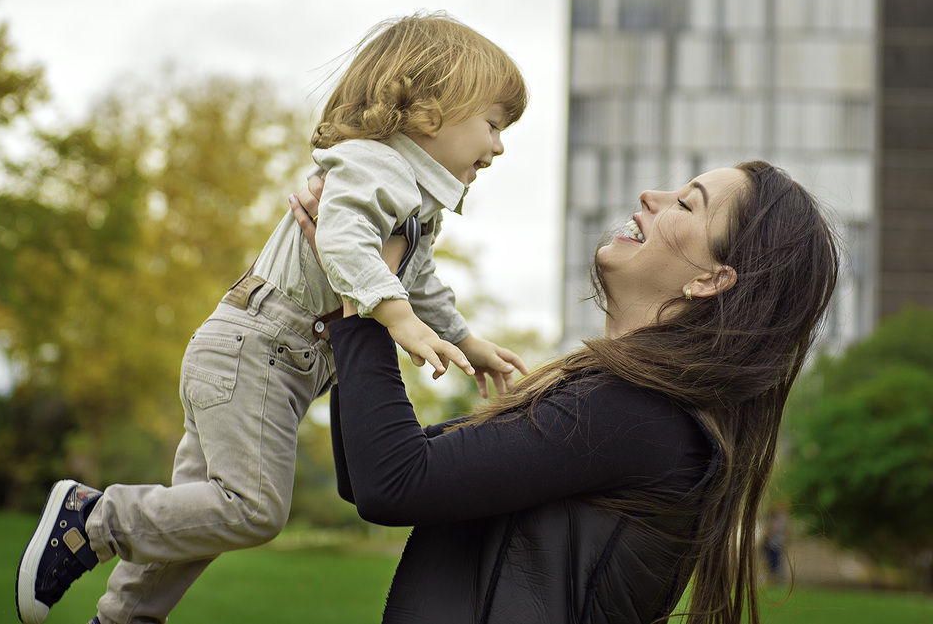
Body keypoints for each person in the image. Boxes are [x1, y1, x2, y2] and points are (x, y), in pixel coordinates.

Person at [15, 12, 531, 624]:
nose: (498, 146)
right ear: (430, 111)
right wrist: (398, 319)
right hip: (255, 351)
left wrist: (466, 340)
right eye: (493, 125)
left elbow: (417, 279)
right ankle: (91, 519)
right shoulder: (372, 165)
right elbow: (341, 244)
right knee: (251, 510)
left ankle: (124, 617)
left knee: (197, 513)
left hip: (270, 358)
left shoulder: (417, 200)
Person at [289, 159, 839, 623]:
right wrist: (362, 293)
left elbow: (395, 481)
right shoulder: (623, 405)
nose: (651, 195)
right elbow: (368, 474)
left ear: (712, 280)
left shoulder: (637, 414)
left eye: (686, 204)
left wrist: (364, 291)